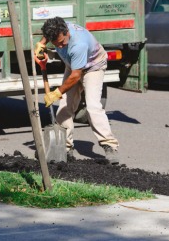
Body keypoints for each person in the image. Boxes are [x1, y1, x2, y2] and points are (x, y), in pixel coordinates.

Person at [34, 16, 120, 164]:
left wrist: (57, 92)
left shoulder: (78, 44)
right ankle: (65, 147)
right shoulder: (58, 28)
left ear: (67, 32)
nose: (60, 46)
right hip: (73, 65)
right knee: (65, 107)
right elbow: (49, 35)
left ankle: (109, 145)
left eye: (61, 42)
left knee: (93, 107)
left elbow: (75, 76)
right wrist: (42, 43)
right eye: (56, 44)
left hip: (93, 67)